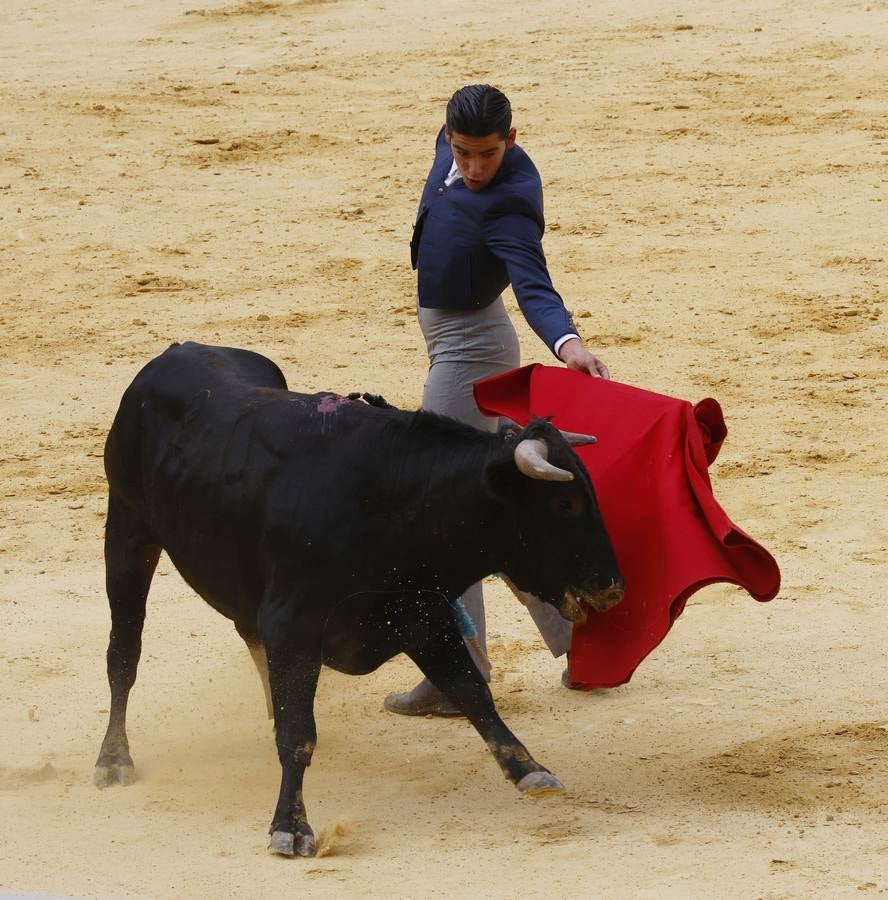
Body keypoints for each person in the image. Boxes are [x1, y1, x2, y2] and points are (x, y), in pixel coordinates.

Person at [383, 84, 610, 717]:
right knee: (493, 500)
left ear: (511, 141)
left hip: (469, 352)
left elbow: (533, 284)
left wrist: (568, 344)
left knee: (443, 508)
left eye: (487, 154)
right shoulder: (451, 139)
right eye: (464, 154)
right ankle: (582, 642)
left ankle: (464, 672)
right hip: (455, 343)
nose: (475, 168)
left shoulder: (511, 202)